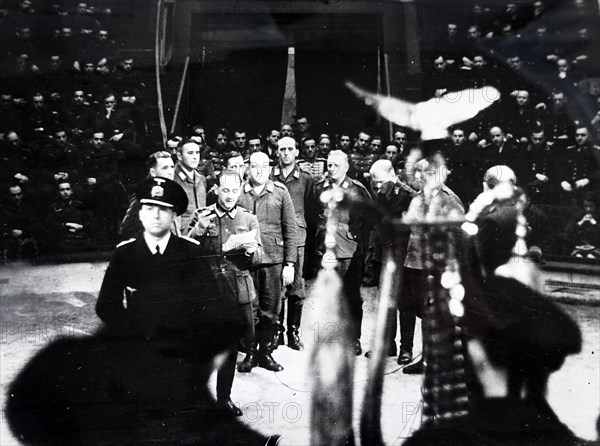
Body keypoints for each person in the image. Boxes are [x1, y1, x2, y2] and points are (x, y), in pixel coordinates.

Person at [187, 170, 263, 415]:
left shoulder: (248, 219)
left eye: (234, 190)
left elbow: (260, 257)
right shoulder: (202, 214)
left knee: (231, 348)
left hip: (237, 290)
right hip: (207, 292)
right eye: (225, 190)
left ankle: (224, 398)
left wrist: (251, 252)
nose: (230, 195)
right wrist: (198, 230)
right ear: (216, 190)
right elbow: (185, 250)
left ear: (240, 190)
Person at [238, 151, 298, 372]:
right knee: (249, 310)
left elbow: (291, 230)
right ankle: (250, 354)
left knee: (271, 310)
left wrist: (290, 264)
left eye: (264, 165)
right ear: (248, 168)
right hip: (246, 262)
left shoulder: (280, 193)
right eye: (254, 166)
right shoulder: (240, 193)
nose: (259, 170)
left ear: (270, 167)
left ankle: (266, 353)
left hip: (274, 260)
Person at [315, 150, 372, 355]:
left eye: (335, 165)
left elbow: (369, 219)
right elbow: (314, 215)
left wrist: (358, 241)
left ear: (346, 167)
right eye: (328, 165)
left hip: (351, 250)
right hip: (327, 250)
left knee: (352, 297)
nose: (330, 169)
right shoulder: (320, 188)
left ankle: (353, 338)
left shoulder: (357, 190)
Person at [364, 160, 417, 362]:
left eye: (379, 182)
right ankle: (388, 345)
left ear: (392, 177)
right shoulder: (379, 191)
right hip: (382, 255)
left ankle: (407, 348)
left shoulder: (407, 196)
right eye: (374, 183)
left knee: (405, 303)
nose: (376, 187)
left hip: (402, 257)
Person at [271, 136, 317, 350]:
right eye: (282, 149)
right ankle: (276, 333)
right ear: (276, 152)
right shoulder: (271, 176)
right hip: (274, 236)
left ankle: (293, 333)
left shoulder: (306, 179)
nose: (286, 153)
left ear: (297, 152)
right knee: (276, 286)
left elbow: (311, 210)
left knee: (296, 286)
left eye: (290, 149)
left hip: (297, 238)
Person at [119, 151, 178, 240]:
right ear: (153, 172)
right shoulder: (143, 196)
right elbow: (126, 230)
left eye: (172, 167)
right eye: (165, 168)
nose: (170, 172)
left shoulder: (173, 192)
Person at [174, 140, 207, 229]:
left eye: (197, 153)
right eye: (190, 153)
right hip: (183, 231)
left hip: (201, 229)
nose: (195, 157)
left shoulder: (201, 178)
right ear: (179, 156)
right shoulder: (173, 178)